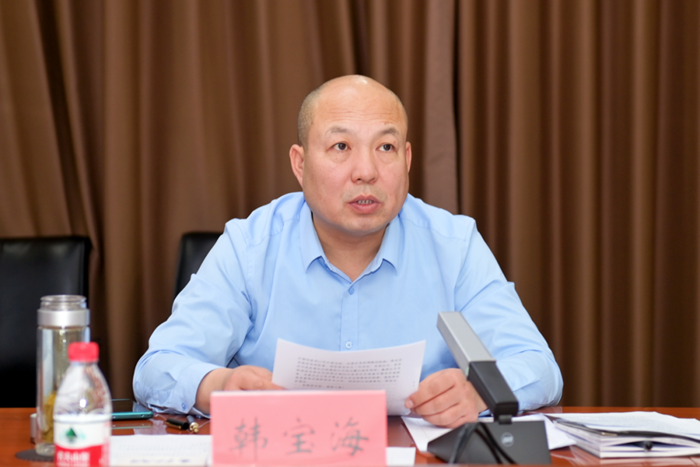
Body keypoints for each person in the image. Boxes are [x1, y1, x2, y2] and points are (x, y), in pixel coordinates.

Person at [133, 75, 563, 428]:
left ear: (407, 159)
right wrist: (217, 386)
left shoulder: (454, 245)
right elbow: (157, 367)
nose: (366, 172)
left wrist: (480, 392)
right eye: (341, 147)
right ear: (300, 163)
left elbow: (538, 366)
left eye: (385, 147)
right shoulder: (250, 246)